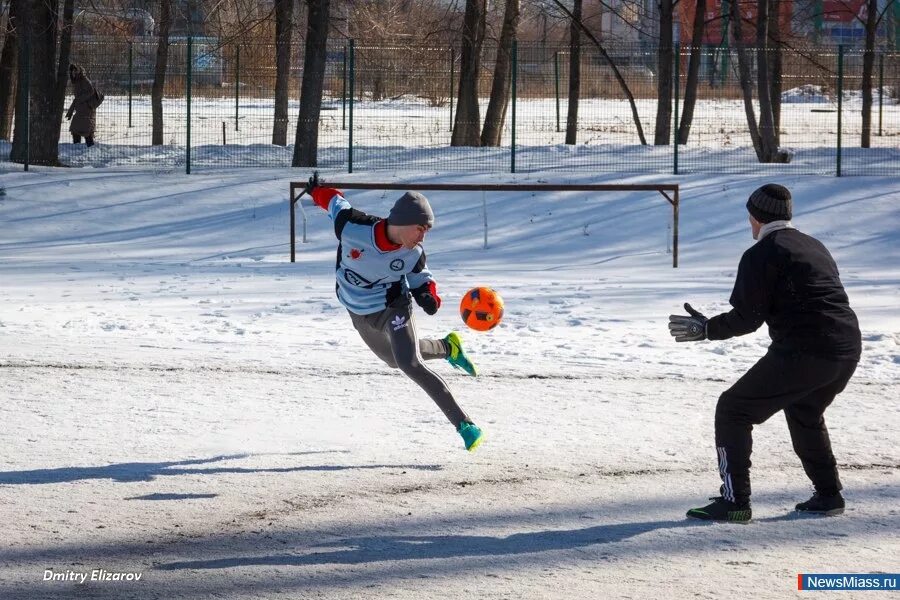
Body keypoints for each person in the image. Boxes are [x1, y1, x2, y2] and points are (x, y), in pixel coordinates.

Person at [668, 183, 861, 523]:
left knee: (733, 409)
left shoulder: (760, 254)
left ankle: (735, 502)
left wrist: (706, 329)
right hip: (846, 346)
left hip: (806, 350)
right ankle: (829, 494)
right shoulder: (813, 245)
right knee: (804, 410)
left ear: (754, 217)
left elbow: (747, 319)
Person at [305, 177, 485, 451]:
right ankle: (448, 348)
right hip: (357, 310)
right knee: (393, 359)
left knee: (409, 363)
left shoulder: (413, 253)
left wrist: (427, 294)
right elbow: (334, 201)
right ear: (402, 222)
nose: (423, 236)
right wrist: (316, 189)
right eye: (420, 229)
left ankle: (465, 425)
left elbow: (423, 278)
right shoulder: (352, 225)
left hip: (393, 307)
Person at [65, 64, 102, 147]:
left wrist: (80, 99)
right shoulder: (77, 81)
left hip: (87, 109)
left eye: (75, 71)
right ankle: (78, 146)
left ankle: (88, 147)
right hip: (82, 109)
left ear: (79, 72)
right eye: (72, 72)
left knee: (84, 129)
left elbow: (91, 91)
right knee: (76, 129)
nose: (74, 73)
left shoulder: (84, 80)